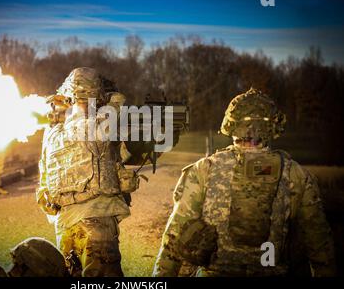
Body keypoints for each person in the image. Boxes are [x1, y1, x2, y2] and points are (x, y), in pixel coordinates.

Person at [153, 88, 336, 277]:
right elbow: (320, 244)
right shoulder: (295, 174)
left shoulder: (204, 169)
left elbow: (174, 238)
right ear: (273, 126)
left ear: (231, 124)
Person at [36, 67, 136, 277]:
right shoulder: (101, 123)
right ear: (96, 95)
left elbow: (43, 177)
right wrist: (107, 97)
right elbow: (118, 101)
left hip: (64, 226)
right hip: (97, 224)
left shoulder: (52, 134)